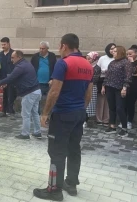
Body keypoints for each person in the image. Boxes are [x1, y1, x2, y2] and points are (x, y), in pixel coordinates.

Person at [34, 33, 93, 201]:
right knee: (74, 149)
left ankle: (54, 190)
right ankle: (71, 184)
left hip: (62, 115)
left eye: (60, 46)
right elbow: (88, 93)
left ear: (64, 46)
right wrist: (81, 109)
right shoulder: (88, 65)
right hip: (79, 114)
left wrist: (45, 113)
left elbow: (54, 92)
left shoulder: (63, 63)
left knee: (56, 151)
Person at [0, 50, 41, 139]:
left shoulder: (20, 66)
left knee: (25, 114)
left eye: (13, 57)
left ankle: (25, 134)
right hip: (37, 91)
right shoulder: (26, 64)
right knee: (34, 113)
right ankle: (37, 132)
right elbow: (18, 78)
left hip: (29, 93)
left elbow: (11, 77)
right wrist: (6, 83)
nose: (11, 60)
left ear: (19, 57)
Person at [102, 46, 133, 137]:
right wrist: (104, 86)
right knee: (112, 107)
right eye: (113, 51)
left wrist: (124, 88)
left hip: (119, 88)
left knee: (120, 108)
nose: (113, 52)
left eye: (115, 51)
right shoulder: (112, 63)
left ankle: (124, 128)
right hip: (110, 87)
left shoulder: (126, 63)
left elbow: (128, 77)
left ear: (120, 52)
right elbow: (107, 75)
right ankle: (112, 126)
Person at [30, 41, 57, 114]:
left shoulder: (52, 56)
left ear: (47, 49)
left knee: (49, 99)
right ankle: (37, 115)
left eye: (43, 48)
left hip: (49, 82)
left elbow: (55, 68)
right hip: (38, 82)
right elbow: (31, 68)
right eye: (40, 48)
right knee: (37, 100)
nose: (41, 50)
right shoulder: (35, 56)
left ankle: (47, 115)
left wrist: (52, 79)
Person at [120, 45, 137, 129]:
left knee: (131, 103)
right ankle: (123, 120)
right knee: (123, 103)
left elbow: (134, 70)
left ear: (135, 53)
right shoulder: (125, 61)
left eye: (130, 54)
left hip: (134, 84)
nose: (128, 56)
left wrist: (132, 62)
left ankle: (129, 121)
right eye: (127, 54)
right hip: (125, 84)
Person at [0, 37, 16, 118]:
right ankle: (3, 111)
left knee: (11, 96)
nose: (3, 46)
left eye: (4, 44)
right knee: (4, 96)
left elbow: (16, 67)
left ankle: (11, 112)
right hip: (2, 79)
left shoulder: (14, 54)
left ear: (8, 44)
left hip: (12, 79)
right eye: (2, 44)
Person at [96, 43, 116, 126]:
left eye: (114, 49)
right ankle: (99, 119)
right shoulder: (102, 58)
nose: (112, 50)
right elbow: (97, 69)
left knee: (109, 100)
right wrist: (103, 71)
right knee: (101, 100)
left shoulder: (116, 58)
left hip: (112, 81)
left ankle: (106, 119)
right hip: (102, 80)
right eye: (111, 48)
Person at [84, 52, 101, 128]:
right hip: (83, 86)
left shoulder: (97, 68)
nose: (87, 60)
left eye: (89, 59)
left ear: (94, 59)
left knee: (89, 104)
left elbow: (95, 79)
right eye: (86, 59)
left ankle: (85, 120)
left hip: (92, 87)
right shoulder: (84, 66)